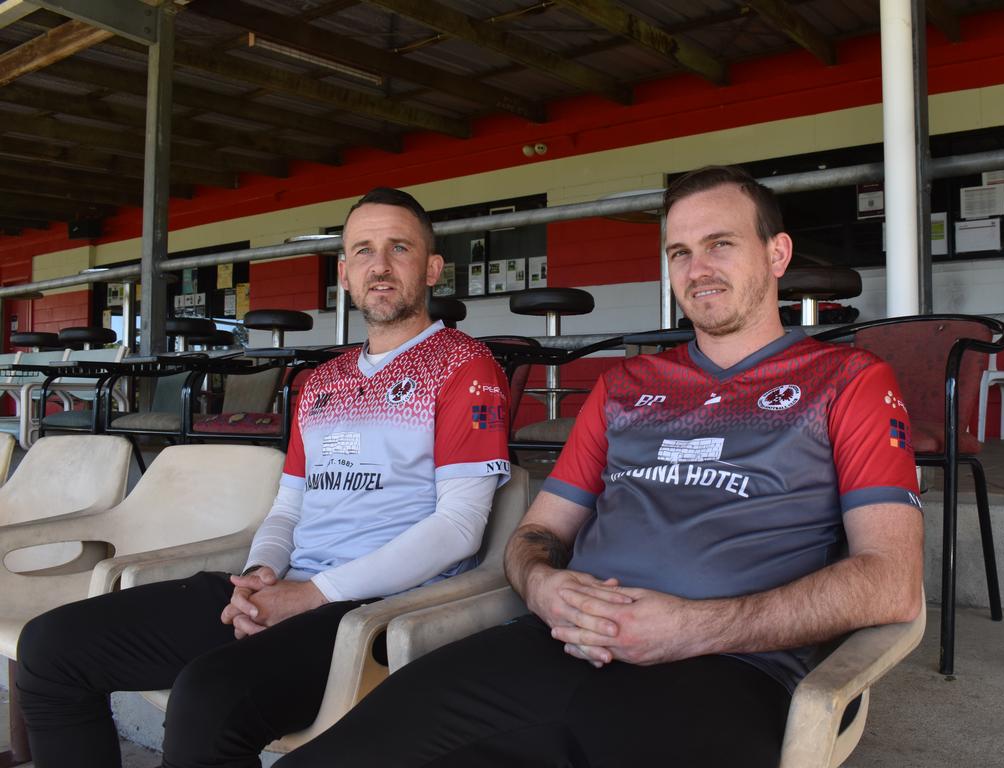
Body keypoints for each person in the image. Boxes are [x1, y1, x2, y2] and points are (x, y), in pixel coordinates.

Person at [274, 166, 924, 768]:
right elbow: (535, 536)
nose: (698, 269)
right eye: (679, 253)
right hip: (555, 644)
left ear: (776, 254)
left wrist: (689, 628)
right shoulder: (624, 386)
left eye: (720, 243)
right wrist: (541, 588)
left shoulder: (847, 381)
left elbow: (892, 581)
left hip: (722, 670)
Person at [16, 187, 511, 768]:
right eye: (362, 251)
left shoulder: (464, 366)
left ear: (430, 270)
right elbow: (289, 506)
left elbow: (459, 528)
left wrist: (307, 596)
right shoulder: (322, 381)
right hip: (288, 585)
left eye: (399, 248)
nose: (379, 265)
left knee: (209, 700)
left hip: (374, 607)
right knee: (51, 648)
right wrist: (260, 576)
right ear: (345, 275)